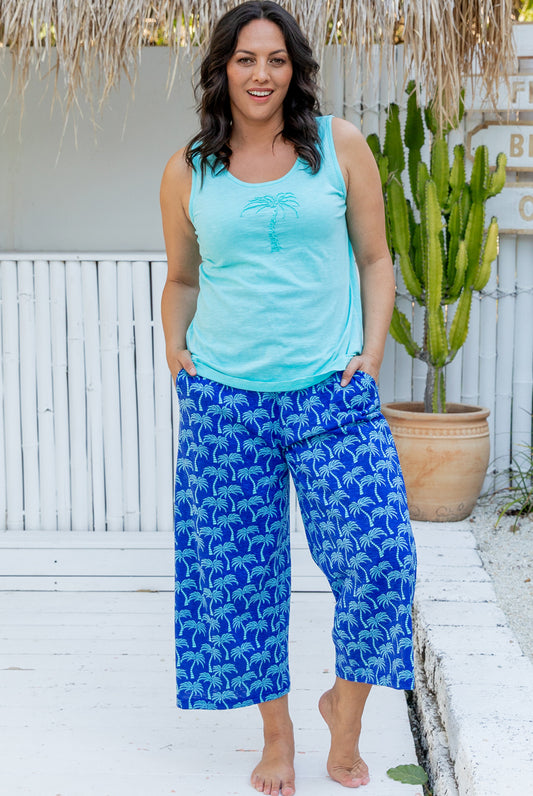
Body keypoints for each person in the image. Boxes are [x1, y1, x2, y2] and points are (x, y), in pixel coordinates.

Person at [159, 2, 417, 793]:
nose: (260, 74)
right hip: (225, 399)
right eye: (245, 59)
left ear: (295, 68)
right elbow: (182, 279)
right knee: (238, 578)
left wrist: (370, 354)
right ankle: (276, 736)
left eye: (275, 59)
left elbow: (375, 259)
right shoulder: (187, 168)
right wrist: (177, 354)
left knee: (378, 559)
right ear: (222, 70)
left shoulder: (338, 148)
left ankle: (345, 707)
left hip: (330, 394)